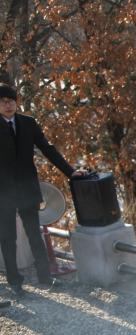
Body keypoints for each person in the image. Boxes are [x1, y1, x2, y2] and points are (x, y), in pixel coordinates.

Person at [0, 83, 85, 297]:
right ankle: (15, 282)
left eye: (10, 100)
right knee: (7, 237)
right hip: (3, 192)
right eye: (2, 101)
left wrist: (70, 172)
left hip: (28, 188)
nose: (7, 104)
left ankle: (45, 277)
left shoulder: (28, 123)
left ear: (16, 102)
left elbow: (48, 149)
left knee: (34, 234)